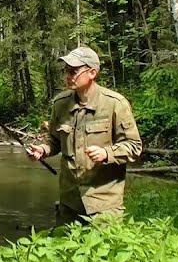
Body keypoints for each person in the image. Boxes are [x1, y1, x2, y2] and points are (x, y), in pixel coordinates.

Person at [25, 46, 142, 224]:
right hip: (69, 203)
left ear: (92, 73)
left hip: (104, 205)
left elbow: (134, 146)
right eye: (66, 71)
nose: (68, 76)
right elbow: (54, 140)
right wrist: (43, 150)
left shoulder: (115, 104)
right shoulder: (60, 104)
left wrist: (106, 153)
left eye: (73, 71)